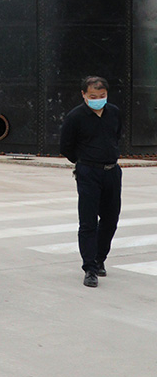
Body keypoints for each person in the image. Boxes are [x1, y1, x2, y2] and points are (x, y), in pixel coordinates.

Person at [60, 75, 122, 288]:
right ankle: (90, 268)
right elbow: (66, 147)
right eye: (93, 96)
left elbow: (116, 136)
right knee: (88, 221)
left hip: (112, 171)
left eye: (102, 95)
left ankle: (99, 258)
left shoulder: (113, 112)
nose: (98, 99)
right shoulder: (75, 117)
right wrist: (84, 162)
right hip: (89, 172)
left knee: (111, 218)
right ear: (84, 95)